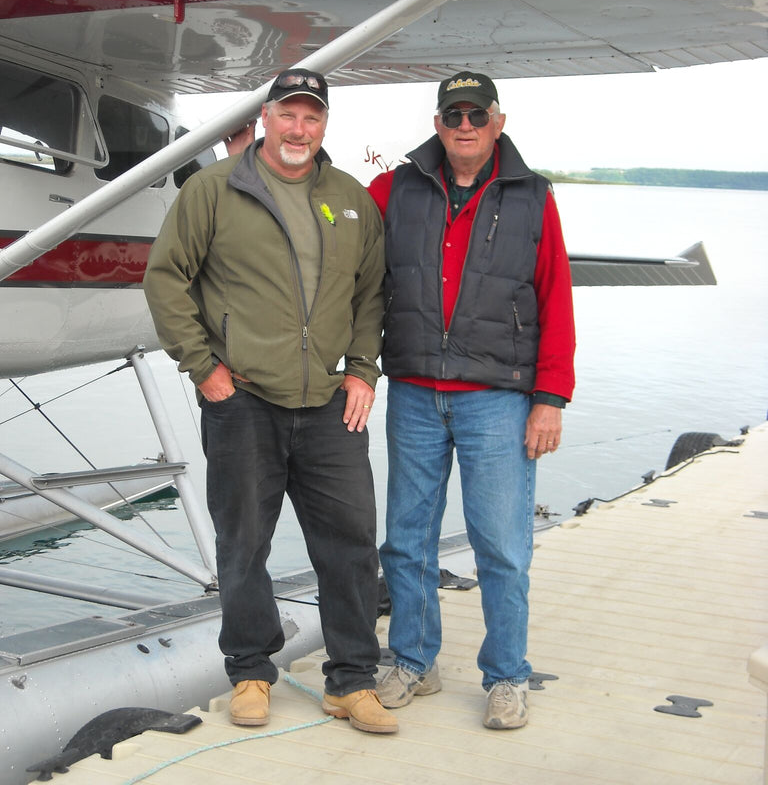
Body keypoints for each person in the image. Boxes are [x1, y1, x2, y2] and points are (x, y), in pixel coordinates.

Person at [143, 69, 397, 735]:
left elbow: (372, 294)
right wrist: (204, 368)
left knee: (350, 546)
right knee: (243, 542)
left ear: (323, 125)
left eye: (312, 117)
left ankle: (351, 681)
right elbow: (166, 278)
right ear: (267, 118)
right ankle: (251, 670)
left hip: (330, 405)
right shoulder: (213, 190)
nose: (298, 129)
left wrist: (364, 370)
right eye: (288, 114)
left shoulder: (350, 199)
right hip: (243, 400)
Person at [368, 71, 575, 730]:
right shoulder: (393, 188)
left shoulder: (533, 197)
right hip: (415, 392)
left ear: (498, 123)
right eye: (453, 114)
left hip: (499, 400)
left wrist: (552, 398)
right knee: (405, 539)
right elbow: (326, 213)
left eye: (477, 115)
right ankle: (412, 660)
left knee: (502, 545)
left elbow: (557, 299)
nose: (465, 124)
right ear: (437, 124)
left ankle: (507, 676)